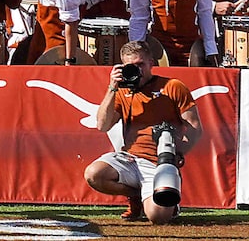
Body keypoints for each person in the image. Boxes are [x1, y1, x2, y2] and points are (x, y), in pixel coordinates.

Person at [84, 39, 196, 225]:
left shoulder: (173, 86)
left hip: (159, 161)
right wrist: (112, 87)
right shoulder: (121, 91)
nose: (137, 70)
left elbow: (194, 127)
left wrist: (177, 153)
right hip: (130, 158)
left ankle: (166, 202)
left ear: (151, 63)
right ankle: (136, 196)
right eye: (130, 66)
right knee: (93, 174)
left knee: (158, 217)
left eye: (140, 64)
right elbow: (102, 125)